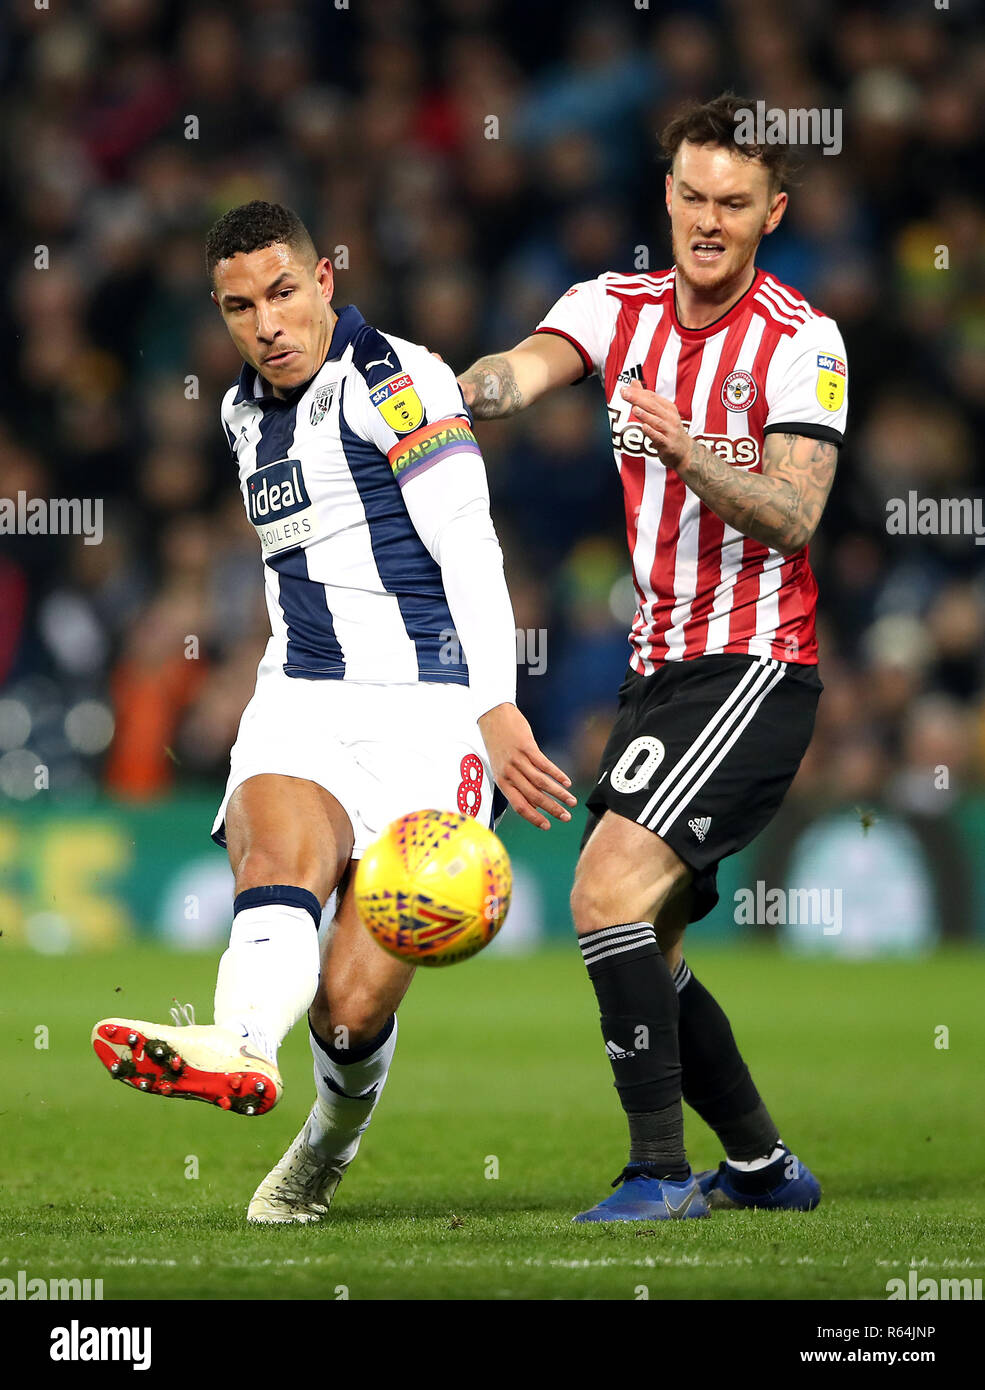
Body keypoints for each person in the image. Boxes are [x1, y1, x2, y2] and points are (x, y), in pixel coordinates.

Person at [91, 200, 575, 1223]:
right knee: (274, 864)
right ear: (218, 317)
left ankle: (324, 1147)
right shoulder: (238, 415)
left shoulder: (395, 382)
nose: (267, 323)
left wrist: (496, 706)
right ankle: (240, 1046)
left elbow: (468, 547)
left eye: (281, 291)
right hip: (303, 699)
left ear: (324, 278)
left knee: (353, 1009)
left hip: (436, 714)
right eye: (239, 307)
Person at [456, 94, 848, 1221]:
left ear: (773, 211)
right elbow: (518, 372)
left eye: (735, 202)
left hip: (754, 664)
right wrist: (442, 395)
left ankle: (657, 1170)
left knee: (602, 891)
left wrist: (685, 451)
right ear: (665, 195)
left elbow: (791, 513)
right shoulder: (611, 307)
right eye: (692, 195)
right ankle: (766, 1168)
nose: (709, 220)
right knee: (652, 936)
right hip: (658, 670)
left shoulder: (800, 340)